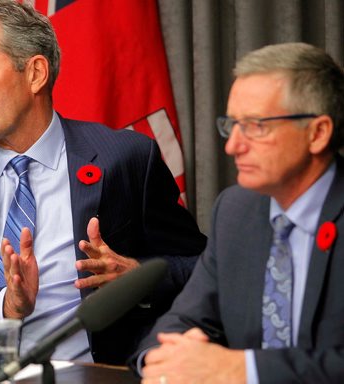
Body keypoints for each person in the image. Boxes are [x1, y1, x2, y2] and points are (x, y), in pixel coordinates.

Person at [0, 0, 206, 365]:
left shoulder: (126, 159)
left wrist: (136, 275)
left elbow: (203, 268)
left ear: (35, 73)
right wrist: (5, 305)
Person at [131, 42, 344, 383]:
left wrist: (242, 370)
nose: (232, 146)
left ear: (317, 133)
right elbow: (186, 320)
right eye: (232, 125)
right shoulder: (236, 212)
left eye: (256, 126)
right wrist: (162, 361)